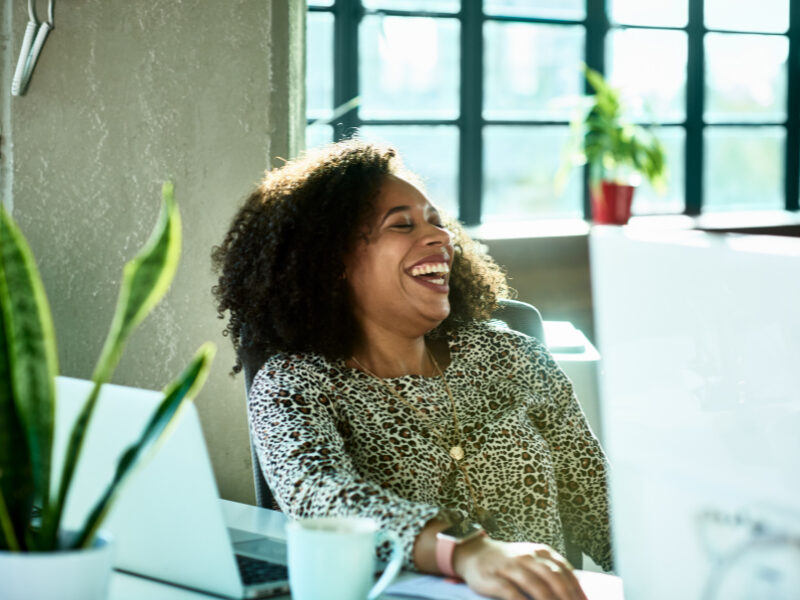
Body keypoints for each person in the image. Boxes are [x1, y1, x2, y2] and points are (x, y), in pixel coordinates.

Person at [212, 139, 612, 600]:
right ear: (332, 262)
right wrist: (464, 552)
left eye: (438, 224)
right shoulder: (294, 384)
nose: (441, 238)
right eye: (401, 225)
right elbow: (322, 499)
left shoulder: (514, 357)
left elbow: (604, 510)